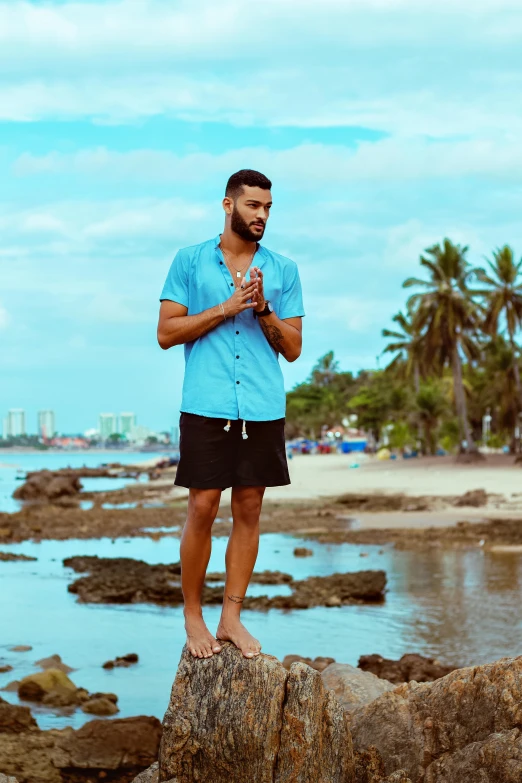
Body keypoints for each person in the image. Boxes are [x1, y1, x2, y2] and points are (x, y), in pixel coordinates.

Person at [157, 169, 305, 660]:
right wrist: (226, 307)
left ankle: (231, 617)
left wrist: (262, 309)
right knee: (202, 506)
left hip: (262, 406)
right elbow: (166, 332)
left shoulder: (283, 270)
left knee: (249, 508)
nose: (261, 215)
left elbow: (295, 350)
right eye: (253, 206)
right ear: (228, 205)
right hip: (205, 403)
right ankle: (193, 616)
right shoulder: (188, 261)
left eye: (267, 208)